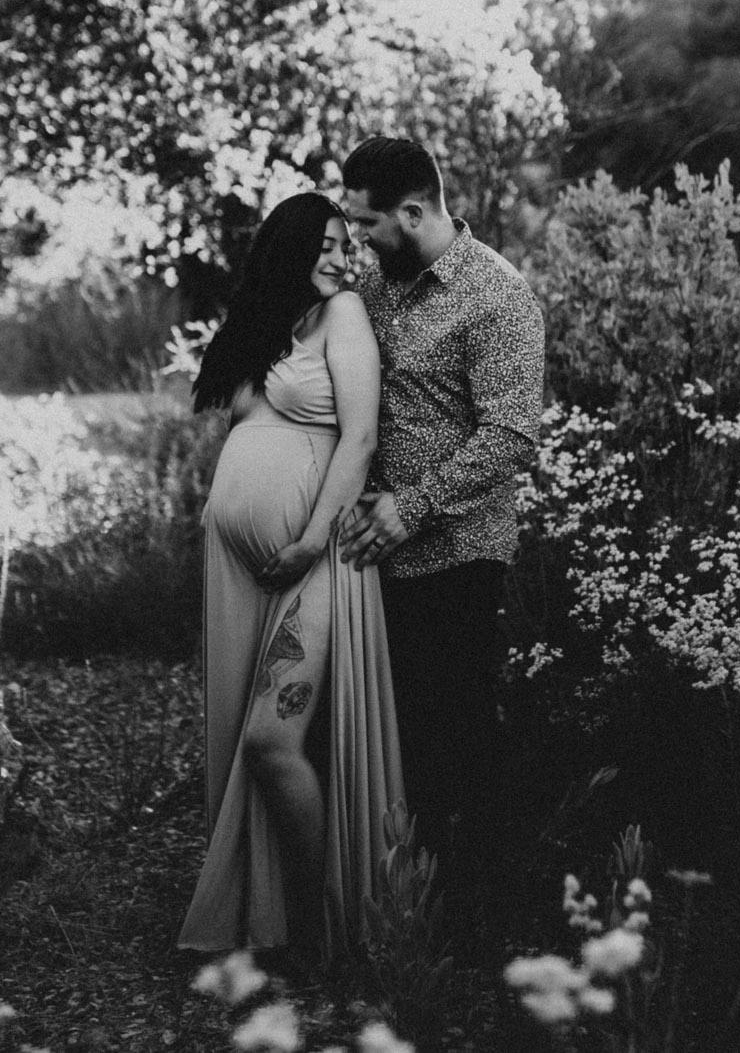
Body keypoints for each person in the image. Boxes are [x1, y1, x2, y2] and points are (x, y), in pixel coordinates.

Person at [177, 192, 404, 959]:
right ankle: (264, 918)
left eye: (348, 244)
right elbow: (244, 419)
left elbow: (360, 437)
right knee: (246, 741)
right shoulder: (276, 327)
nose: (345, 258)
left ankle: (319, 932)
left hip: (317, 557)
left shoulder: (344, 316)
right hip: (244, 566)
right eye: (329, 245)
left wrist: (309, 540)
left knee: (272, 744)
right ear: (292, 249)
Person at [336, 136, 545, 878]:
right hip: (374, 558)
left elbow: (512, 434)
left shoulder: (496, 294)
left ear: (413, 212)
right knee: (397, 745)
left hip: (458, 556)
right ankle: (401, 898)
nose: (358, 238)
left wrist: (413, 507)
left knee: (461, 742)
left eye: (367, 223)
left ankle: (484, 911)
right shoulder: (375, 287)